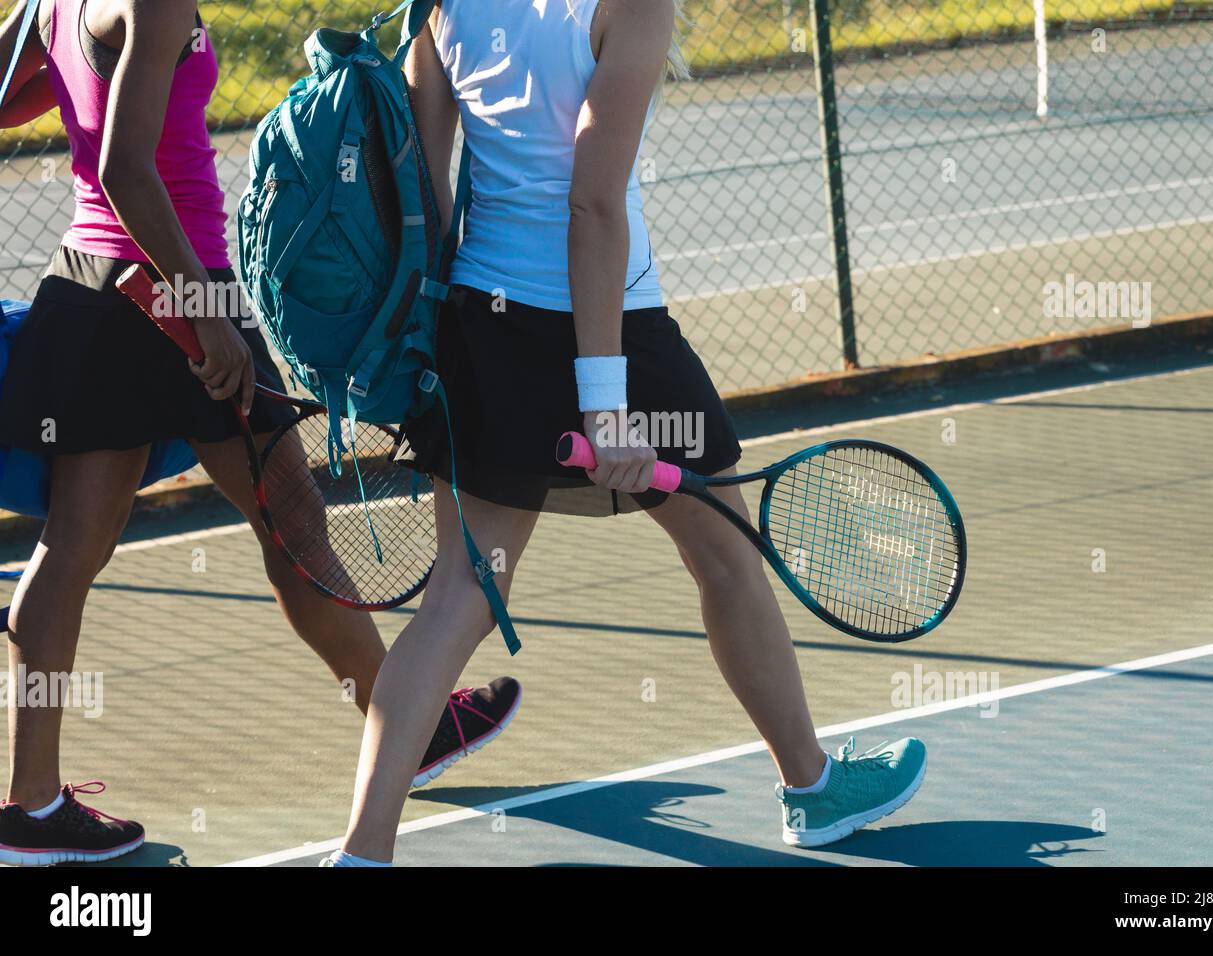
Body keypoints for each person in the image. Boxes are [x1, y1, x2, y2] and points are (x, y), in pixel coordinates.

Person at [324, 0, 925, 867]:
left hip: (481, 326)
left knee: (458, 596)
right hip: (614, 328)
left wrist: (461, 333)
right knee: (725, 554)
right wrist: (605, 405)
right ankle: (813, 789)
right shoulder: (631, 6)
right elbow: (594, 204)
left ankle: (360, 854)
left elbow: (428, 186)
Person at [0, 0, 520, 866]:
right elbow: (132, 169)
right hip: (171, 290)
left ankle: (31, 806)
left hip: (93, 288)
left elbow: (30, 105)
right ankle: (410, 723)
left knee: (70, 550)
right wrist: (204, 318)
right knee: (294, 522)